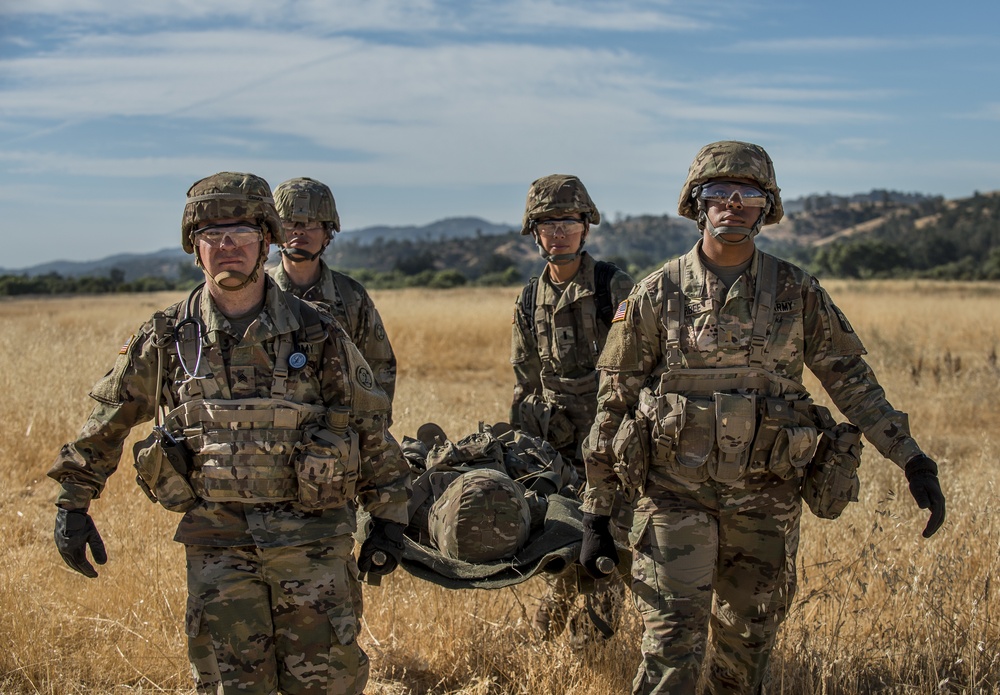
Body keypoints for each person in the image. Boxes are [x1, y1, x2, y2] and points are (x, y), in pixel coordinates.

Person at [579, 141, 947, 694]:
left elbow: (853, 384)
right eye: (718, 194)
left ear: (765, 207)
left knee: (745, 653)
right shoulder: (656, 293)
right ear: (697, 204)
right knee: (671, 651)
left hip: (766, 500)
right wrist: (597, 514)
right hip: (674, 496)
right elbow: (613, 406)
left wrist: (913, 460)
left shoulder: (797, 291)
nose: (732, 204)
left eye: (747, 194)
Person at [48, 172, 411, 695]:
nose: (226, 248)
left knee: (327, 685)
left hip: (310, 543)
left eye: (240, 235)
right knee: (230, 687)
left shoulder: (320, 332)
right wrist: (73, 503)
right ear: (194, 249)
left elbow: (367, 424)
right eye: (211, 236)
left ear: (264, 243)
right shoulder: (168, 337)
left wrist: (388, 515)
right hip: (218, 548)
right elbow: (110, 418)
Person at [509, 174, 635, 639]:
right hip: (556, 449)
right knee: (560, 545)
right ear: (534, 231)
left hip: (613, 447)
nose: (558, 231)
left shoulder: (612, 286)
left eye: (567, 221)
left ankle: (593, 648)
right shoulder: (529, 299)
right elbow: (524, 383)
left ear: (585, 226)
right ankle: (547, 643)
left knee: (607, 549)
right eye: (547, 222)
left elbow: (644, 367)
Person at [268, 176, 397, 403]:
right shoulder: (259, 292)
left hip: (336, 430)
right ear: (276, 232)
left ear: (328, 233)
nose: (299, 232)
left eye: (310, 224)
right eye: (289, 224)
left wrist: (371, 430)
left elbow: (379, 367)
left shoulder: (351, 296)